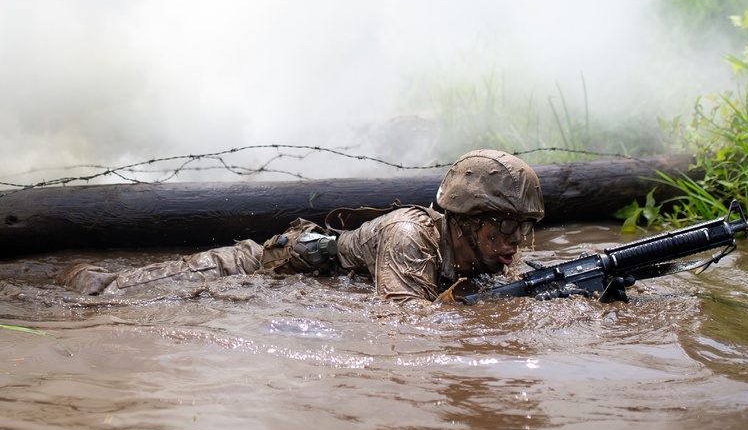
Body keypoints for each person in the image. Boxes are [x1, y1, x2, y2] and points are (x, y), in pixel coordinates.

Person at [56, 149, 545, 304]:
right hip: (258, 266)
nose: (511, 243)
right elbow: (405, 326)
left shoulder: (485, 250)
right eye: (502, 227)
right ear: (465, 220)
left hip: (305, 275)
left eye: (520, 229)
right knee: (107, 292)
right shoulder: (409, 236)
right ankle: (65, 273)